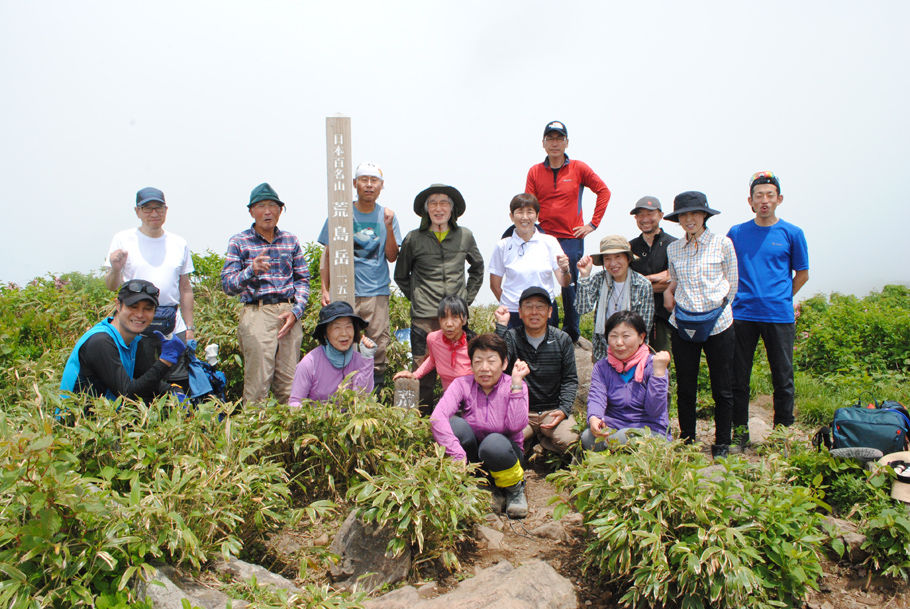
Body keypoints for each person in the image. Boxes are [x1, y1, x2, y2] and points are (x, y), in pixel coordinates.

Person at [728, 172, 809, 440]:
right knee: (738, 377)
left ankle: (782, 434)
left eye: (769, 195)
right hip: (742, 314)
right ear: (750, 201)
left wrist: (783, 297)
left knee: (783, 378)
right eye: (759, 196)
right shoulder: (736, 233)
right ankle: (739, 433)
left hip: (779, 315)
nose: (764, 201)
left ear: (779, 199)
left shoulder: (792, 233)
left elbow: (802, 274)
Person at [394, 184, 484, 408]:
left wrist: (465, 301)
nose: (438, 208)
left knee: (461, 366)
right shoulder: (414, 238)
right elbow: (401, 275)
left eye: (444, 203)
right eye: (433, 203)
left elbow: (478, 268)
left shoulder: (465, 236)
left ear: (452, 209)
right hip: (424, 316)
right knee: (421, 369)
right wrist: (417, 298)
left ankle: (463, 415)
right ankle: (421, 419)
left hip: (455, 316)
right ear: (425, 209)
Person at [663, 192, 738, 458]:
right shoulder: (673, 249)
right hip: (684, 322)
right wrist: (671, 295)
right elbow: (675, 280)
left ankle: (722, 442)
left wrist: (717, 308)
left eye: (695, 213)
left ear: (705, 215)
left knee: (722, 385)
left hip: (718, 323)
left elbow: (732, 283)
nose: (689, 219)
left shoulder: (722, 244)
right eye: (684, 215)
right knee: (685, 385)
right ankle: (687, 439)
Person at [221, 183, 310, 404]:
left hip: (288, 314)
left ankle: (287, 437)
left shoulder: (290, 240)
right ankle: (251, 435)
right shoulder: (239, 241)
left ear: (281, 210)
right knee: (257, 385)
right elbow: (228, 285)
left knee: (290, 385)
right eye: (261, 206)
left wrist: (296, 311)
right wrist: (251, 270)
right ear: (251, 211)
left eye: (272, 205)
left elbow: (303, 279)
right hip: (257, 312)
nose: (267, 211)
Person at [525, 120, 611, 342]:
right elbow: (528, 203)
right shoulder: (535, 171)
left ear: (566, 142)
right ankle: (548, 328)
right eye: (550, 139)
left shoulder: (578, 168)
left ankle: (571, 332)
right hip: (543, 234)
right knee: (543, 281)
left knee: (569, 283)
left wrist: (592, 224)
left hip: (571, 236)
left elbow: (603, 191)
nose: (555, 143)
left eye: (559, 139)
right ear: (543, 143)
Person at [430, 333, 531, 518]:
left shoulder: (515, 385)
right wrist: (457, 453)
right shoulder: (462, 384)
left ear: (504, 363)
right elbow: (437, 417)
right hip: (475, 460)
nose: (484, 368)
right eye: (478, 361)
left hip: (506, 456)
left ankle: (514, 489)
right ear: (471, 364)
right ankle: (483, 486)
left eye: (491, 361)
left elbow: (517, 425)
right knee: (456, 425)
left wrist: (517, 384)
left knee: (492, 443)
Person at [318, 162, 401, 388]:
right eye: (363, 180)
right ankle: (342, 394)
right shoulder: (340, 213)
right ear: (355, 184)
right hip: (345, 291)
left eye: (374, 181)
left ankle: (374, 396)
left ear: (381, 186)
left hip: (377, 292)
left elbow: (392, 257)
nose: (368, 185)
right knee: (343, 344)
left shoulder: (387, 216)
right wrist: (325, 289)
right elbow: (327, 254)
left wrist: (389, 227)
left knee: (377, 346)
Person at [105, 187, 195, 386]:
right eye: (147, 208)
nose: (154, 213)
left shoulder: (179, 243)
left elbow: (185, 288)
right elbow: (112, 286)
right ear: (137, 212)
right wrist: (115, 268)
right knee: (140, 382)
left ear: (166, 210)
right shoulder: (123, 239)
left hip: (172, 324)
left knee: (178, 381)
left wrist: (189, 328)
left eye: (159, 208)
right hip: (135, 324)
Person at [60, 280, 187, 401]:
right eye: (133, 307)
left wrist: (174, 391)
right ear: (118, 305)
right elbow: (127, 394)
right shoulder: (100, 341)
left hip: (109, 415)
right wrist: (165, 361)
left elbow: (146, 381)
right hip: (78, 419)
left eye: (147, 309)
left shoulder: (136, 341)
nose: (140, 314)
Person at [494, 287, 578, 456]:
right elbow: (498, 363)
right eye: (528, 306)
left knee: (571, 442)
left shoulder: (562, 339)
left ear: (549, 312)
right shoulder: (512, 337)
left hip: (552, 410)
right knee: (501, 444)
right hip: (521, 411)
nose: (534, 312)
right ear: (520, 312)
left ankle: (543, 443)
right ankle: (532, 440)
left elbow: (570, 379)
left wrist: (563, 409)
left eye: (540, 307)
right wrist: (501, 326)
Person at [581, 311, 671, 450]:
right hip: (614, 428)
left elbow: (655, 411)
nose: (619, 342)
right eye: (613, 336)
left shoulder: (654, 365)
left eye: (626, 336)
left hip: (649, 431)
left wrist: (659, 374)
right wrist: (594, 418)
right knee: (588, 437)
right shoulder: (602, 367)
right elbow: (596, 397)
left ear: (641, 338)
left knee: (623, 437)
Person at [489, 193, 571, 329]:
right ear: (511, 216)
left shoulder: (549, 242)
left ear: (537, 216)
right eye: (520, 212)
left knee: (546, 350)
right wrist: (511, 305)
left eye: (530, 212)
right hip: (513, 313)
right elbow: (494, 285)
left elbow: (564, 282)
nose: (525, 217)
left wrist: (565, 269)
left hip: (544, 311)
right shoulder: (502, 245)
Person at [576, 235, 654, 363]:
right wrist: (584, 276)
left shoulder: (642, 284)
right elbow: (582, 308)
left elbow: (645, 325)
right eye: (607, 259)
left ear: (628, 258)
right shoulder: (599, 279)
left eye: (618, 257)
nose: (613, 263)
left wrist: (638, 357)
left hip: (631, 352)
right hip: (602, 351)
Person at [393, 295, 473, 408]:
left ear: (464, 320)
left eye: (455, 317)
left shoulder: (474, 344)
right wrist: (414, 375)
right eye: (444, 317)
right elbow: (432, 359)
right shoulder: (433, 339)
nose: (449, 323)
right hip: (449, 399)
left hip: (474, 401)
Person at [289, 302, 375, 405]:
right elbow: (295, 401)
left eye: (348, 327)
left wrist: (367, 358)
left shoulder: (360, 361)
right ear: (325, 333)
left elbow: (363, 398)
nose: (344, 333)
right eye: (336, 328)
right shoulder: (310, 363)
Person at [628, 196, 678, 354]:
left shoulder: (674, 244)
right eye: (640, 215)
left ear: (661, 215)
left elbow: (676, 279)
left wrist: (643, 281)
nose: (645, 219)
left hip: (666, 316)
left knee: (661, 362)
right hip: (635, 317)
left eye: (650, 214)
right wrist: (662, 280)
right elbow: (627, 283)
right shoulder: (629, 247)